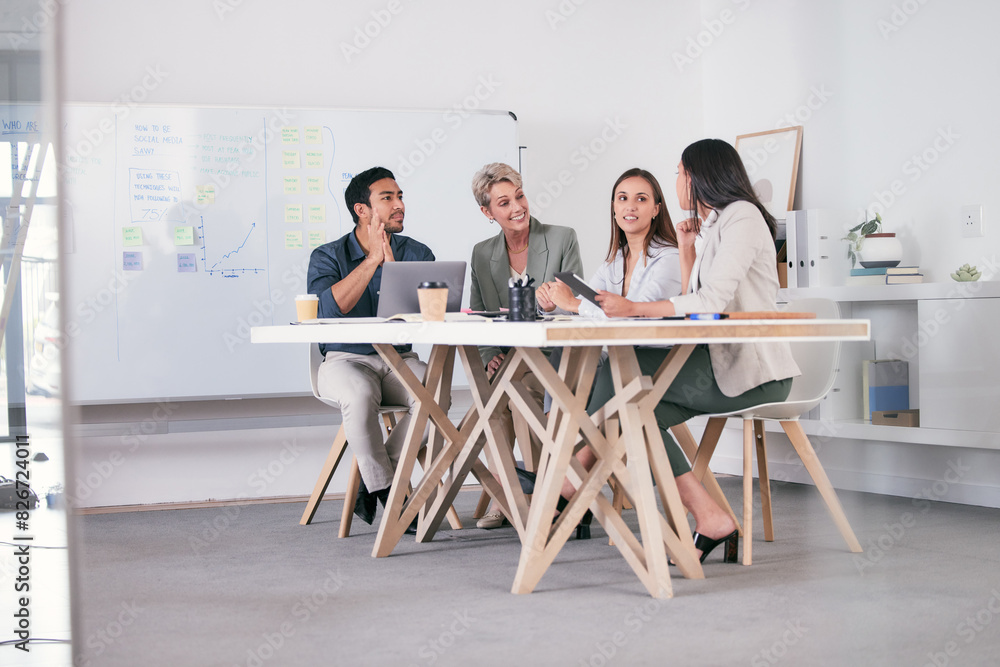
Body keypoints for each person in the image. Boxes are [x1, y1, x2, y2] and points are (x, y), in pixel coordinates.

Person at [569, 140, 801, 562]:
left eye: (678, 172)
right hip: (716, 362)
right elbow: (697, 300)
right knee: (633, 407)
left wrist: (635, 308)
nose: (676, 181)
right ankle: (711, 517)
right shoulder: (714, 224)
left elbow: (709, 303)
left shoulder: (743, 218)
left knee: (626, 373)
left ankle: (571, 476)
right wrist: (691, 249)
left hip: (752, 371)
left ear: (697, 176)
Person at [306, 166, 433, 530]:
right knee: (360, 394)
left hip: (399, 359)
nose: (400, 205)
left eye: (400, 196)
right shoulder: (327, 255)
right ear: (362, 210)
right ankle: (393, 495)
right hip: (344, 359)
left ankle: (372, 475)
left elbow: (426, 315)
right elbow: (331, 310)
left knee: (434, 393)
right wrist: (373, 260)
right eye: (388, 198)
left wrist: (392, 267)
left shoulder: (418, 252)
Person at [468, 162, 583, 529]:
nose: (517, 207)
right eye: (504, 203)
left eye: (519, 196)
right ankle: (509, 496)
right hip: (509, 358)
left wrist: (557, 304)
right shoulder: (482, 254)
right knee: (488, 397)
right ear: (487, 212)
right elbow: (478, 314)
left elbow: (579, 307)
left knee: (519, 392)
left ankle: (541, 498)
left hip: (555, 357)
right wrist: (488, 357)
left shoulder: (562, 238)